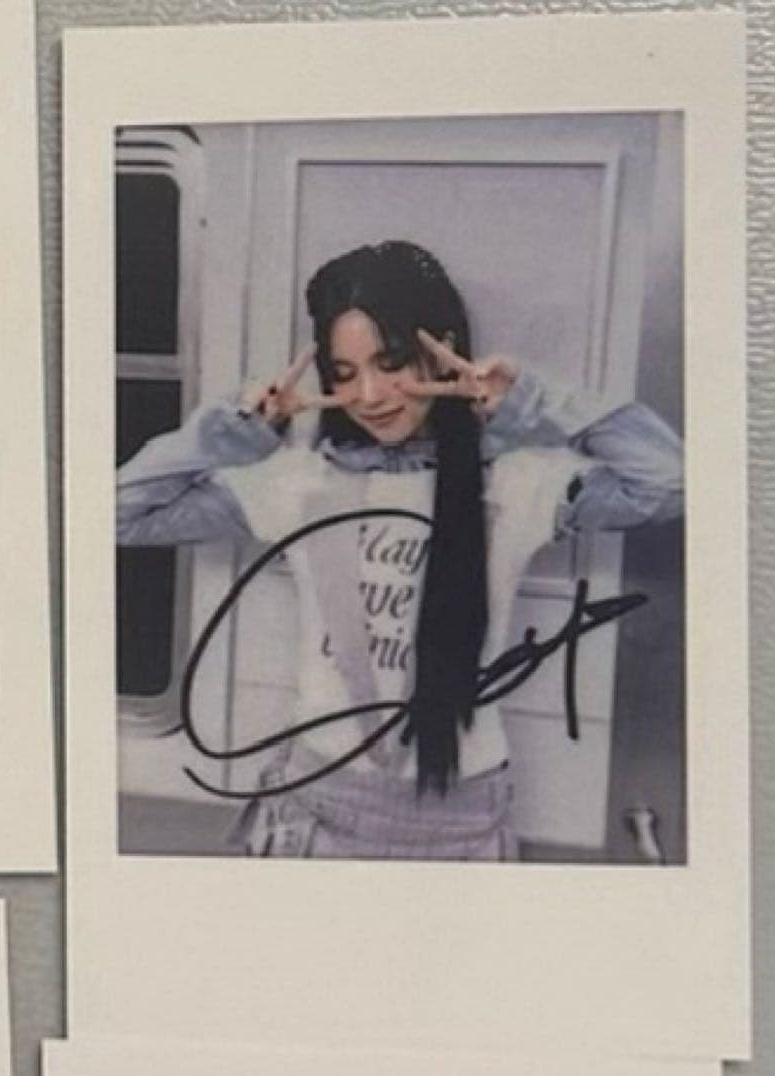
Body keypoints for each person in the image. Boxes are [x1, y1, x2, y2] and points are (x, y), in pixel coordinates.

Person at [117, 240, 683, 862]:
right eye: (344, 373)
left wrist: (534, 402)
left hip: (463, 817)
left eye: (391, 363)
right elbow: (118, 515)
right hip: (317, 805)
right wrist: (229, 434)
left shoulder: (514, 482)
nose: (370, 395)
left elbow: (669, 484)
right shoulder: (297, 481)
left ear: (441, 351)